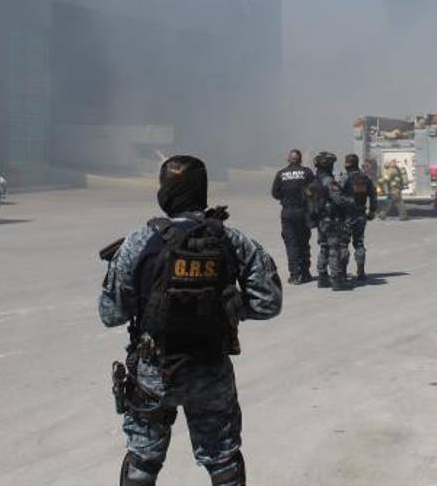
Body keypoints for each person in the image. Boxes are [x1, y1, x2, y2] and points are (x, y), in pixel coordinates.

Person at [99, 155, 282, 486]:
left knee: (142, 463)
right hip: (211, 370)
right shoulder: (232, 240)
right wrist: (224, 307)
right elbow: (268, 303)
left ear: (165, 190)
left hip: (154, 371)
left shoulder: (139, 241)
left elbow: (110, 314)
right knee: (223, 461)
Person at [308, 151, 356, 290]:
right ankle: (336, 280)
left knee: (323, 247)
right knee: (334, 248)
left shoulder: (314, 180)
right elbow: (338, 200)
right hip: (331, 219)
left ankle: (322, 277)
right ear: (327, 165)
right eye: (332, 164)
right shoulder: (328, 181)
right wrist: (350, 201)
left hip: (320, 219)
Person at [271, 149, 315, 284]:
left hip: (288, 213)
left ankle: (295, 275)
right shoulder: (307, 173)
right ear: (300, 160)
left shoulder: (281, 174)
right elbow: (314, 191)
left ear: (289, 160)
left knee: (291, 244)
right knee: (303, 243)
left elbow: (275, 193)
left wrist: (286, 198)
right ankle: (305, 273)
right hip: (303, 212)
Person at [341, 153, 377, 281]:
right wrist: (372, 211)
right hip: (361, 215)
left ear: (348, 164)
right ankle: (361, 272)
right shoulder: (365, 178)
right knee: (359, 243)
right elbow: (373, 195)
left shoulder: (344, 178)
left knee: (343, 244)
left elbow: (336, 196)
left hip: (346, 216)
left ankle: (342, 272)